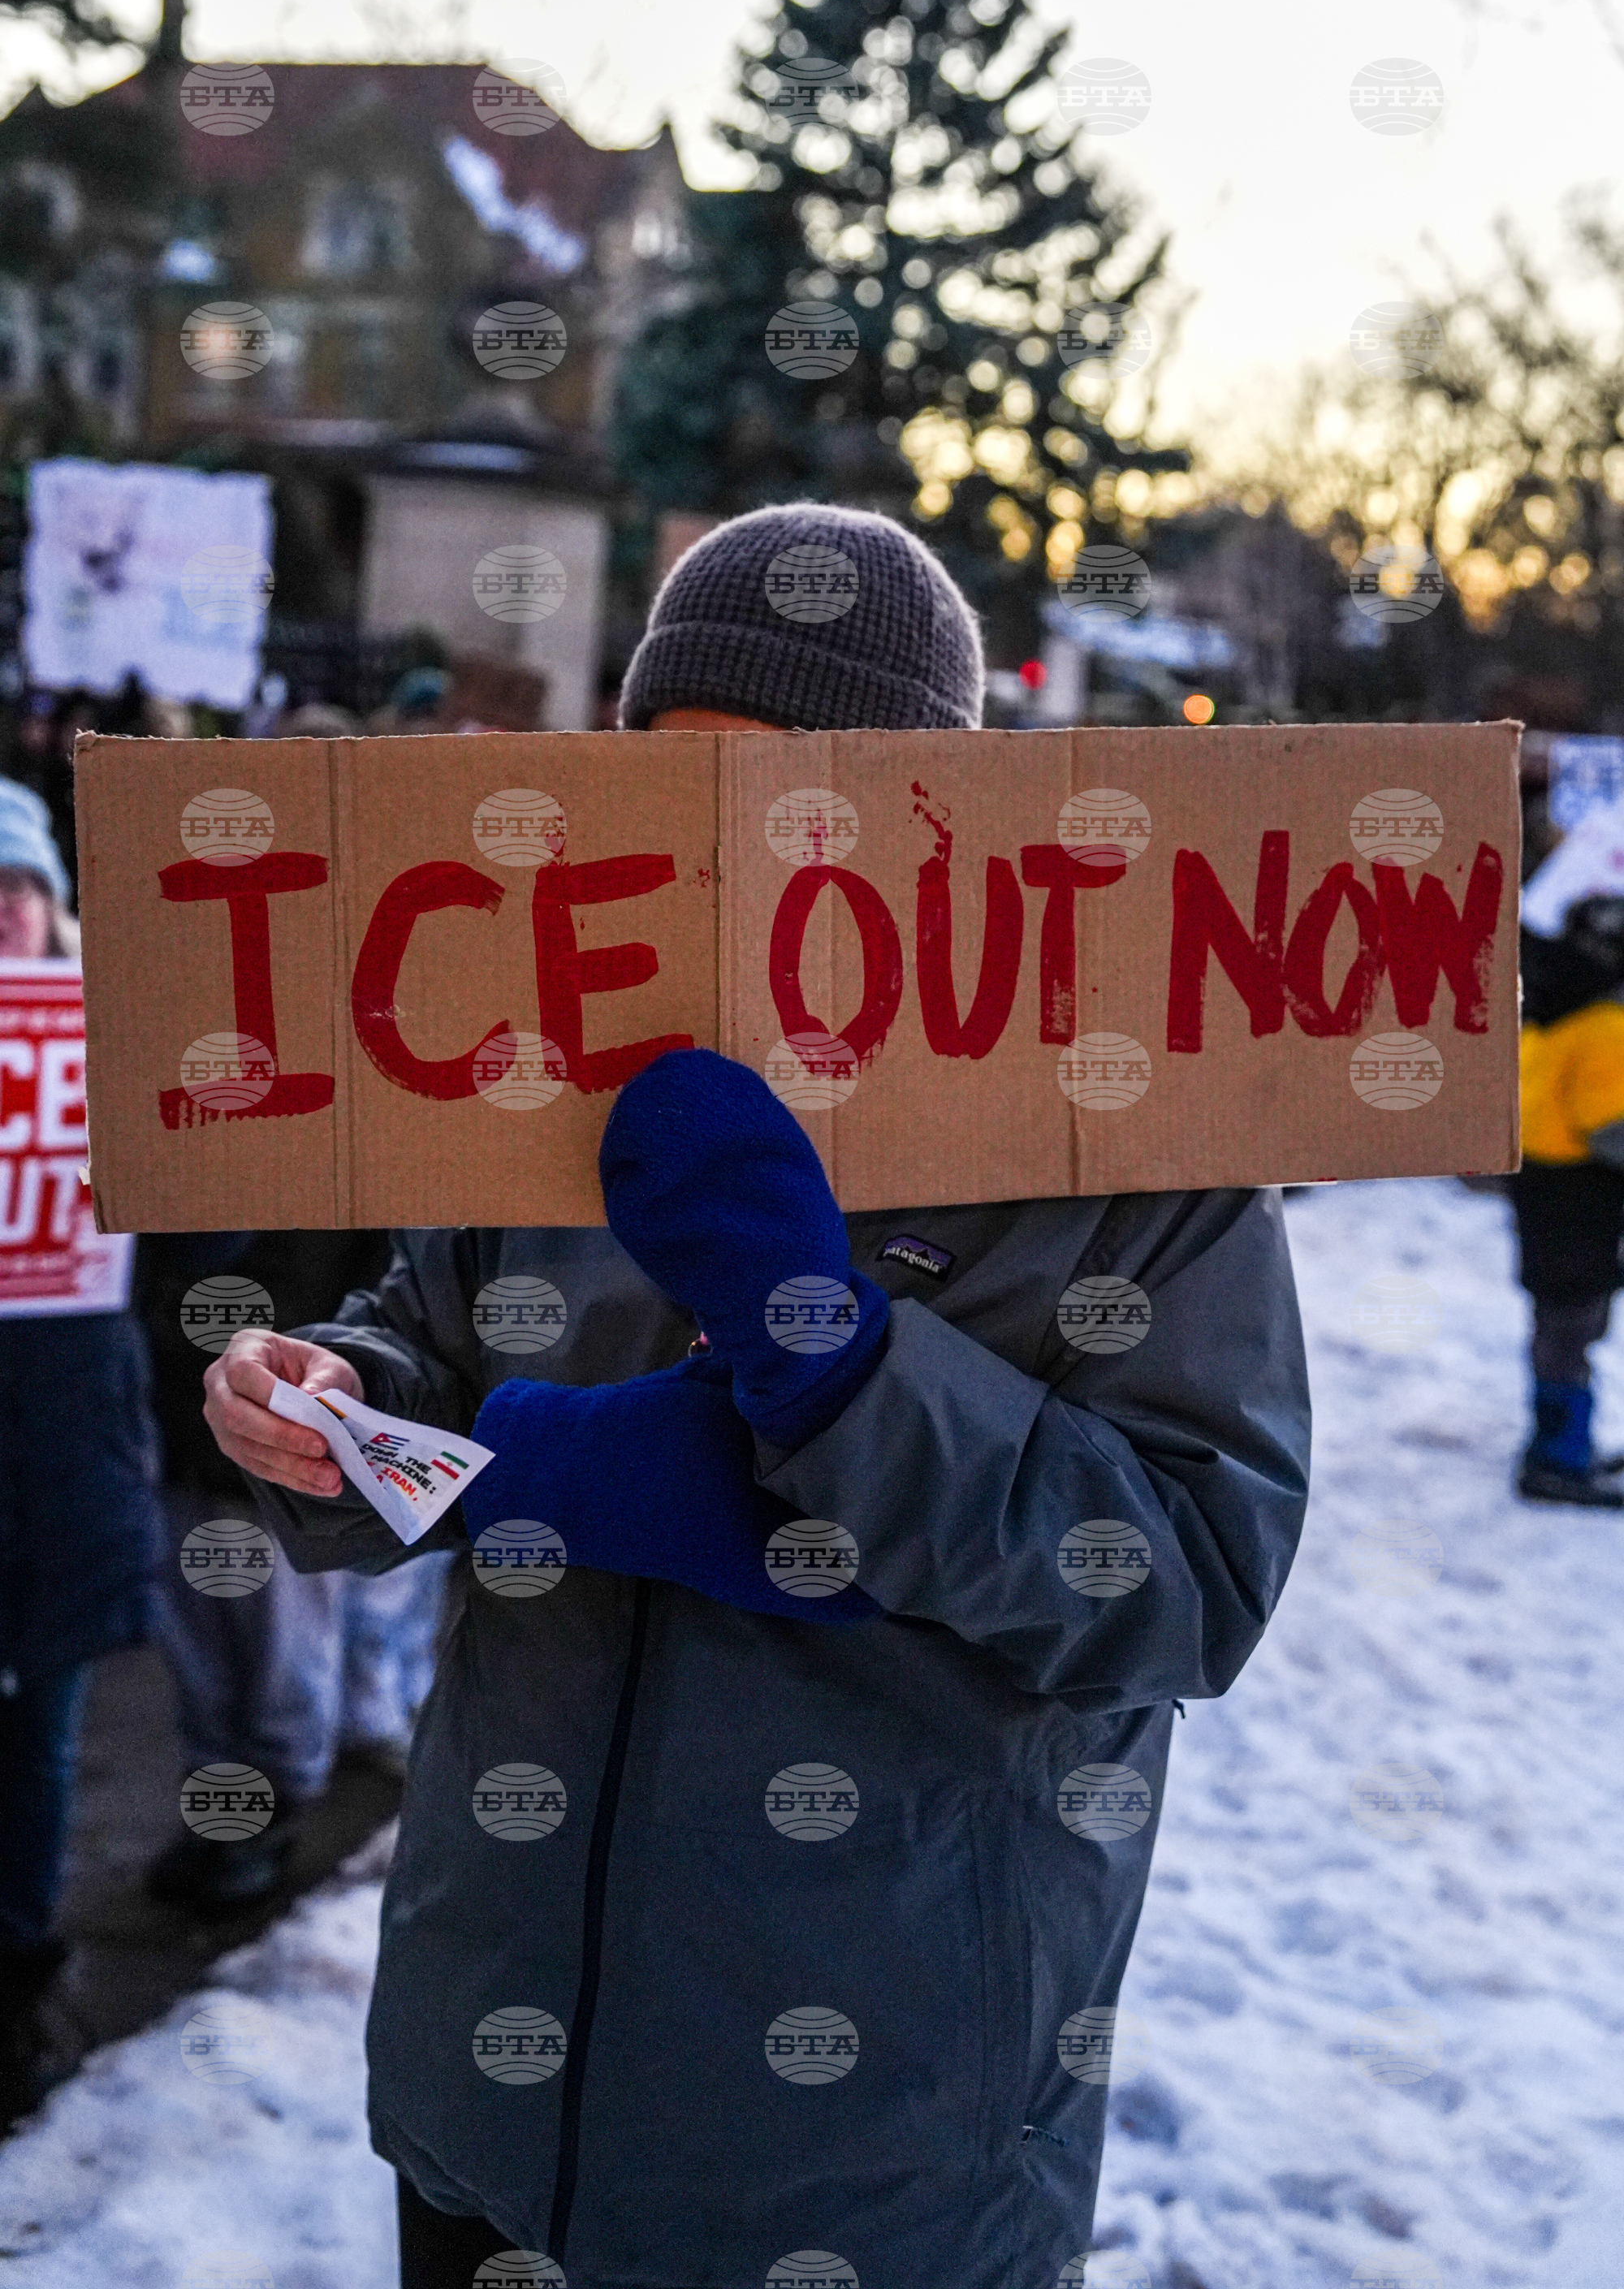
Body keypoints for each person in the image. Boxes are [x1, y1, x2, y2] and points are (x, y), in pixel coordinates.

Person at [201, 505, 1311, 2289]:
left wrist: (850, 1377)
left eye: (779, 802)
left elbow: (1188, 1581)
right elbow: (436, 1352)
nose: (713, 861)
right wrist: (328, 1411)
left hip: (866, 2149)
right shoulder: (553, 1054)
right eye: (669, 795)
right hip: (492, 2090)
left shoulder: (1135, 1138)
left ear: (915, 806)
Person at [0, 778, 162, 2125]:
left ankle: (14, 1984)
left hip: (62, 1465)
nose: (2, 917)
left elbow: (205, 1260)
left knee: (40, 1742)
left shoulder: (115, 1053)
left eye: (18, 891)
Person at [134, 1225, 447, 1917]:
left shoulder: (335, 1165)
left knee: (286, 1653)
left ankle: (273, 1812)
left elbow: (387, 1294)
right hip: (177, 1412)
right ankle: (219, 1810)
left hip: (285, 1428)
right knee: (200, 1652)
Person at [1513, 889, 1624, 1506]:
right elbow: (1610, 1128)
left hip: (1542, 1188)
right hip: (1582, 1198)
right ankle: (1558, 1458)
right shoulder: (1606, 1023)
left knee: (1557, 1325)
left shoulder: (1547, 997)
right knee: (1572, 1329)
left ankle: (1558, 1446)